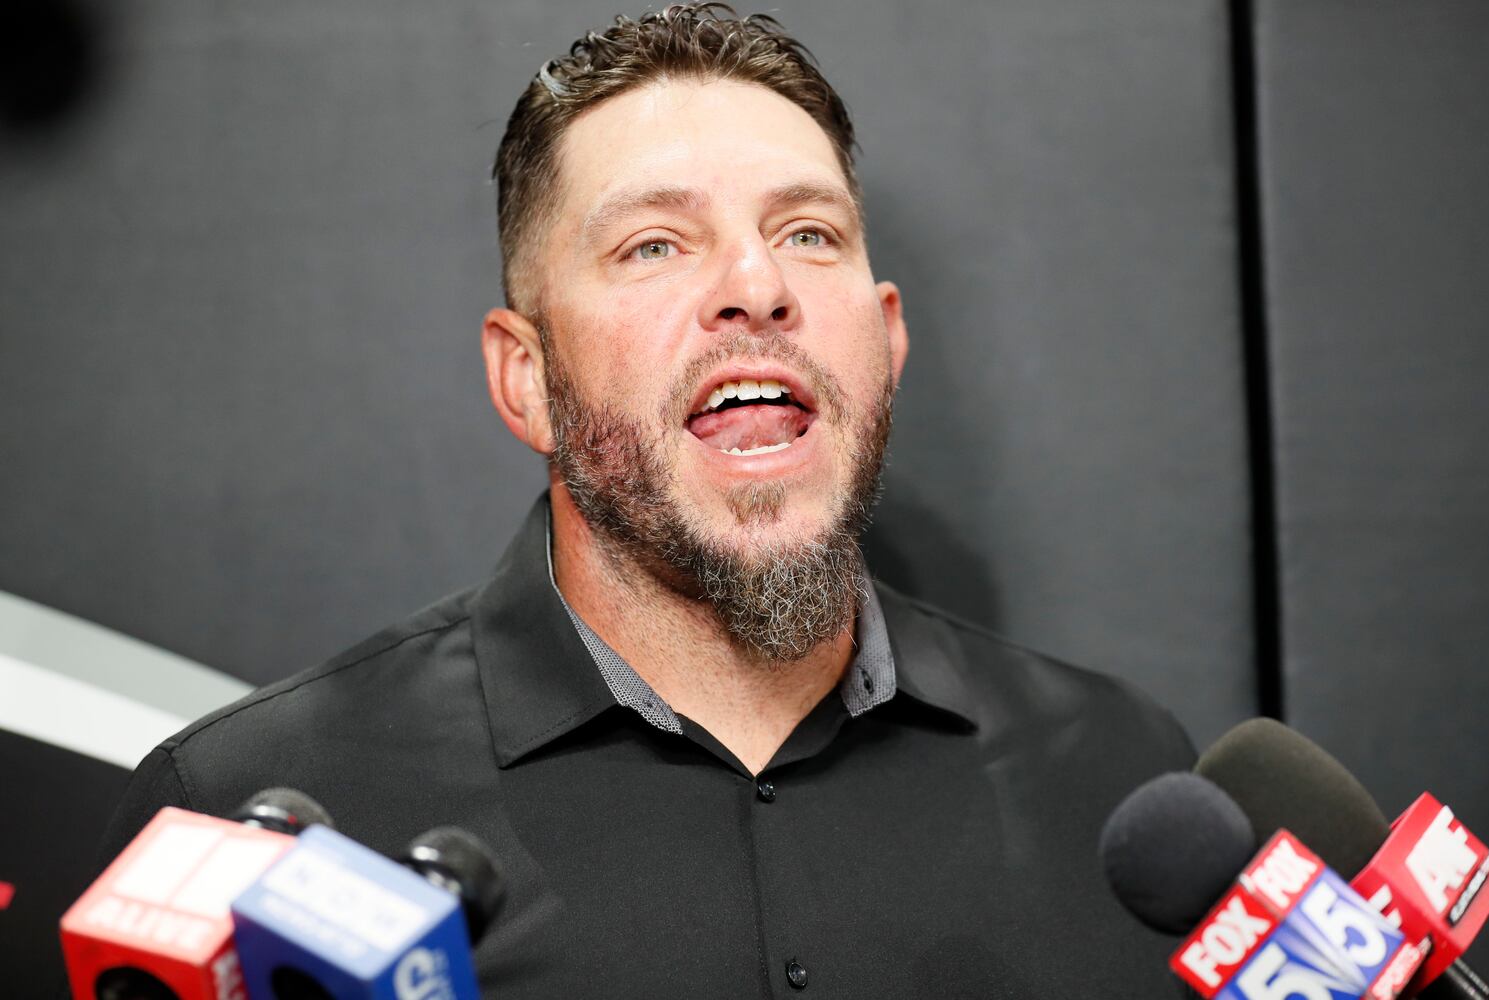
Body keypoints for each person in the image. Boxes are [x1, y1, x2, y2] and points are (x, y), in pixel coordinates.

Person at [98, 5, 1194, 995]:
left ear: (889, 338)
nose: (758, 287)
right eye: (655, 243)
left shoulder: (1122, 781)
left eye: (809, 232)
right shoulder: (249, 820)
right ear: (527, 378)